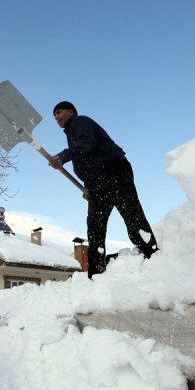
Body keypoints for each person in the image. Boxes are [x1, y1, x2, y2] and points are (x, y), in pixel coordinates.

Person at [48, 101, 158, 278]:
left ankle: (154, 257)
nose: (56, 117)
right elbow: (86, 160)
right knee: (95, 228)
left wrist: (62, 156)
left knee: (132, 216)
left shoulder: (80, 121)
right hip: (98, 183)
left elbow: (87, 145)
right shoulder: (71, 134)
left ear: (71, 111)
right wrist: (87, 187)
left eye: (59, 112)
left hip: (114, 172)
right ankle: (97, 274)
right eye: (54, 116)